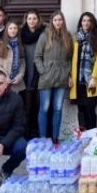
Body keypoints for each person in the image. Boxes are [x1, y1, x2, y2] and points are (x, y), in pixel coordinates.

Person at [34, 11, 73, 142]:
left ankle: (55, 137)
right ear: (52, 21)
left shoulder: (67, 37)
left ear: (63, 21)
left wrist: (69, 75)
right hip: (46, 77)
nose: (58, 22)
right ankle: (43, 137)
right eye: (55, 20)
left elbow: (70, 59)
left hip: (62, 77)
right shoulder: (45, 36)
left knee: (58, 108)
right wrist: (43, 71)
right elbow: (37, 56)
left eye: (60, 20)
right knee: (44, 108)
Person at [71, 12, 97, 131]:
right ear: (81, 22)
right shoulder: (76, 38)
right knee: (80, 109)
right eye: (84, 20)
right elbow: (72, 59)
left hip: (91, 80)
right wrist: (70, 76)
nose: (86, 23)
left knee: (90, 109)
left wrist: (93, 77)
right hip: (79, 79)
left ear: (92, 23)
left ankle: (92, 133)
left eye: (89, 20)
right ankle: (83, 133)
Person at [20, 10, 45, 138]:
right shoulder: (21, 33)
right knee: (27, 108)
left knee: (40, 107)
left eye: (34, 18)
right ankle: (27, 134)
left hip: (40, 75)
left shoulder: (44, 33)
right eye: (29, 18)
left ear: (38, 19)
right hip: (25, 75)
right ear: (26, 19)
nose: (32, 21)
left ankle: (39, 134)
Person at [0, 20, 26, 92]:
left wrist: (19, 77)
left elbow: (22, 63)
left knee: (13, 102)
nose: (13, 30)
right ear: (6, 30)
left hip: (15, 82)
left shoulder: (20, 45)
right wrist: (4, 75)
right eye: (10, 28)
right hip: (0, 80)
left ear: (18, 30)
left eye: (15, 28)